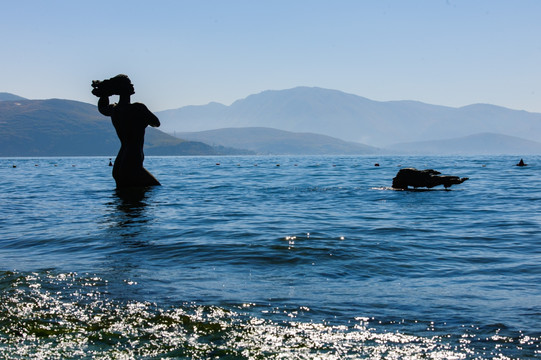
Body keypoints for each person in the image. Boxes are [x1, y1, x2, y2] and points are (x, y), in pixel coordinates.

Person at [92, 74, 161, 187]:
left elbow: (102, 108)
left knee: (124, 198)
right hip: (132, 160)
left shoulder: (114, 110)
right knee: (154, 188)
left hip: (120, 162)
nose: (132, 85)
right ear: (123, 88)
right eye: (129, 83)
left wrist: (104, 94)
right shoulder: (138, 108)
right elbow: (156, 123)